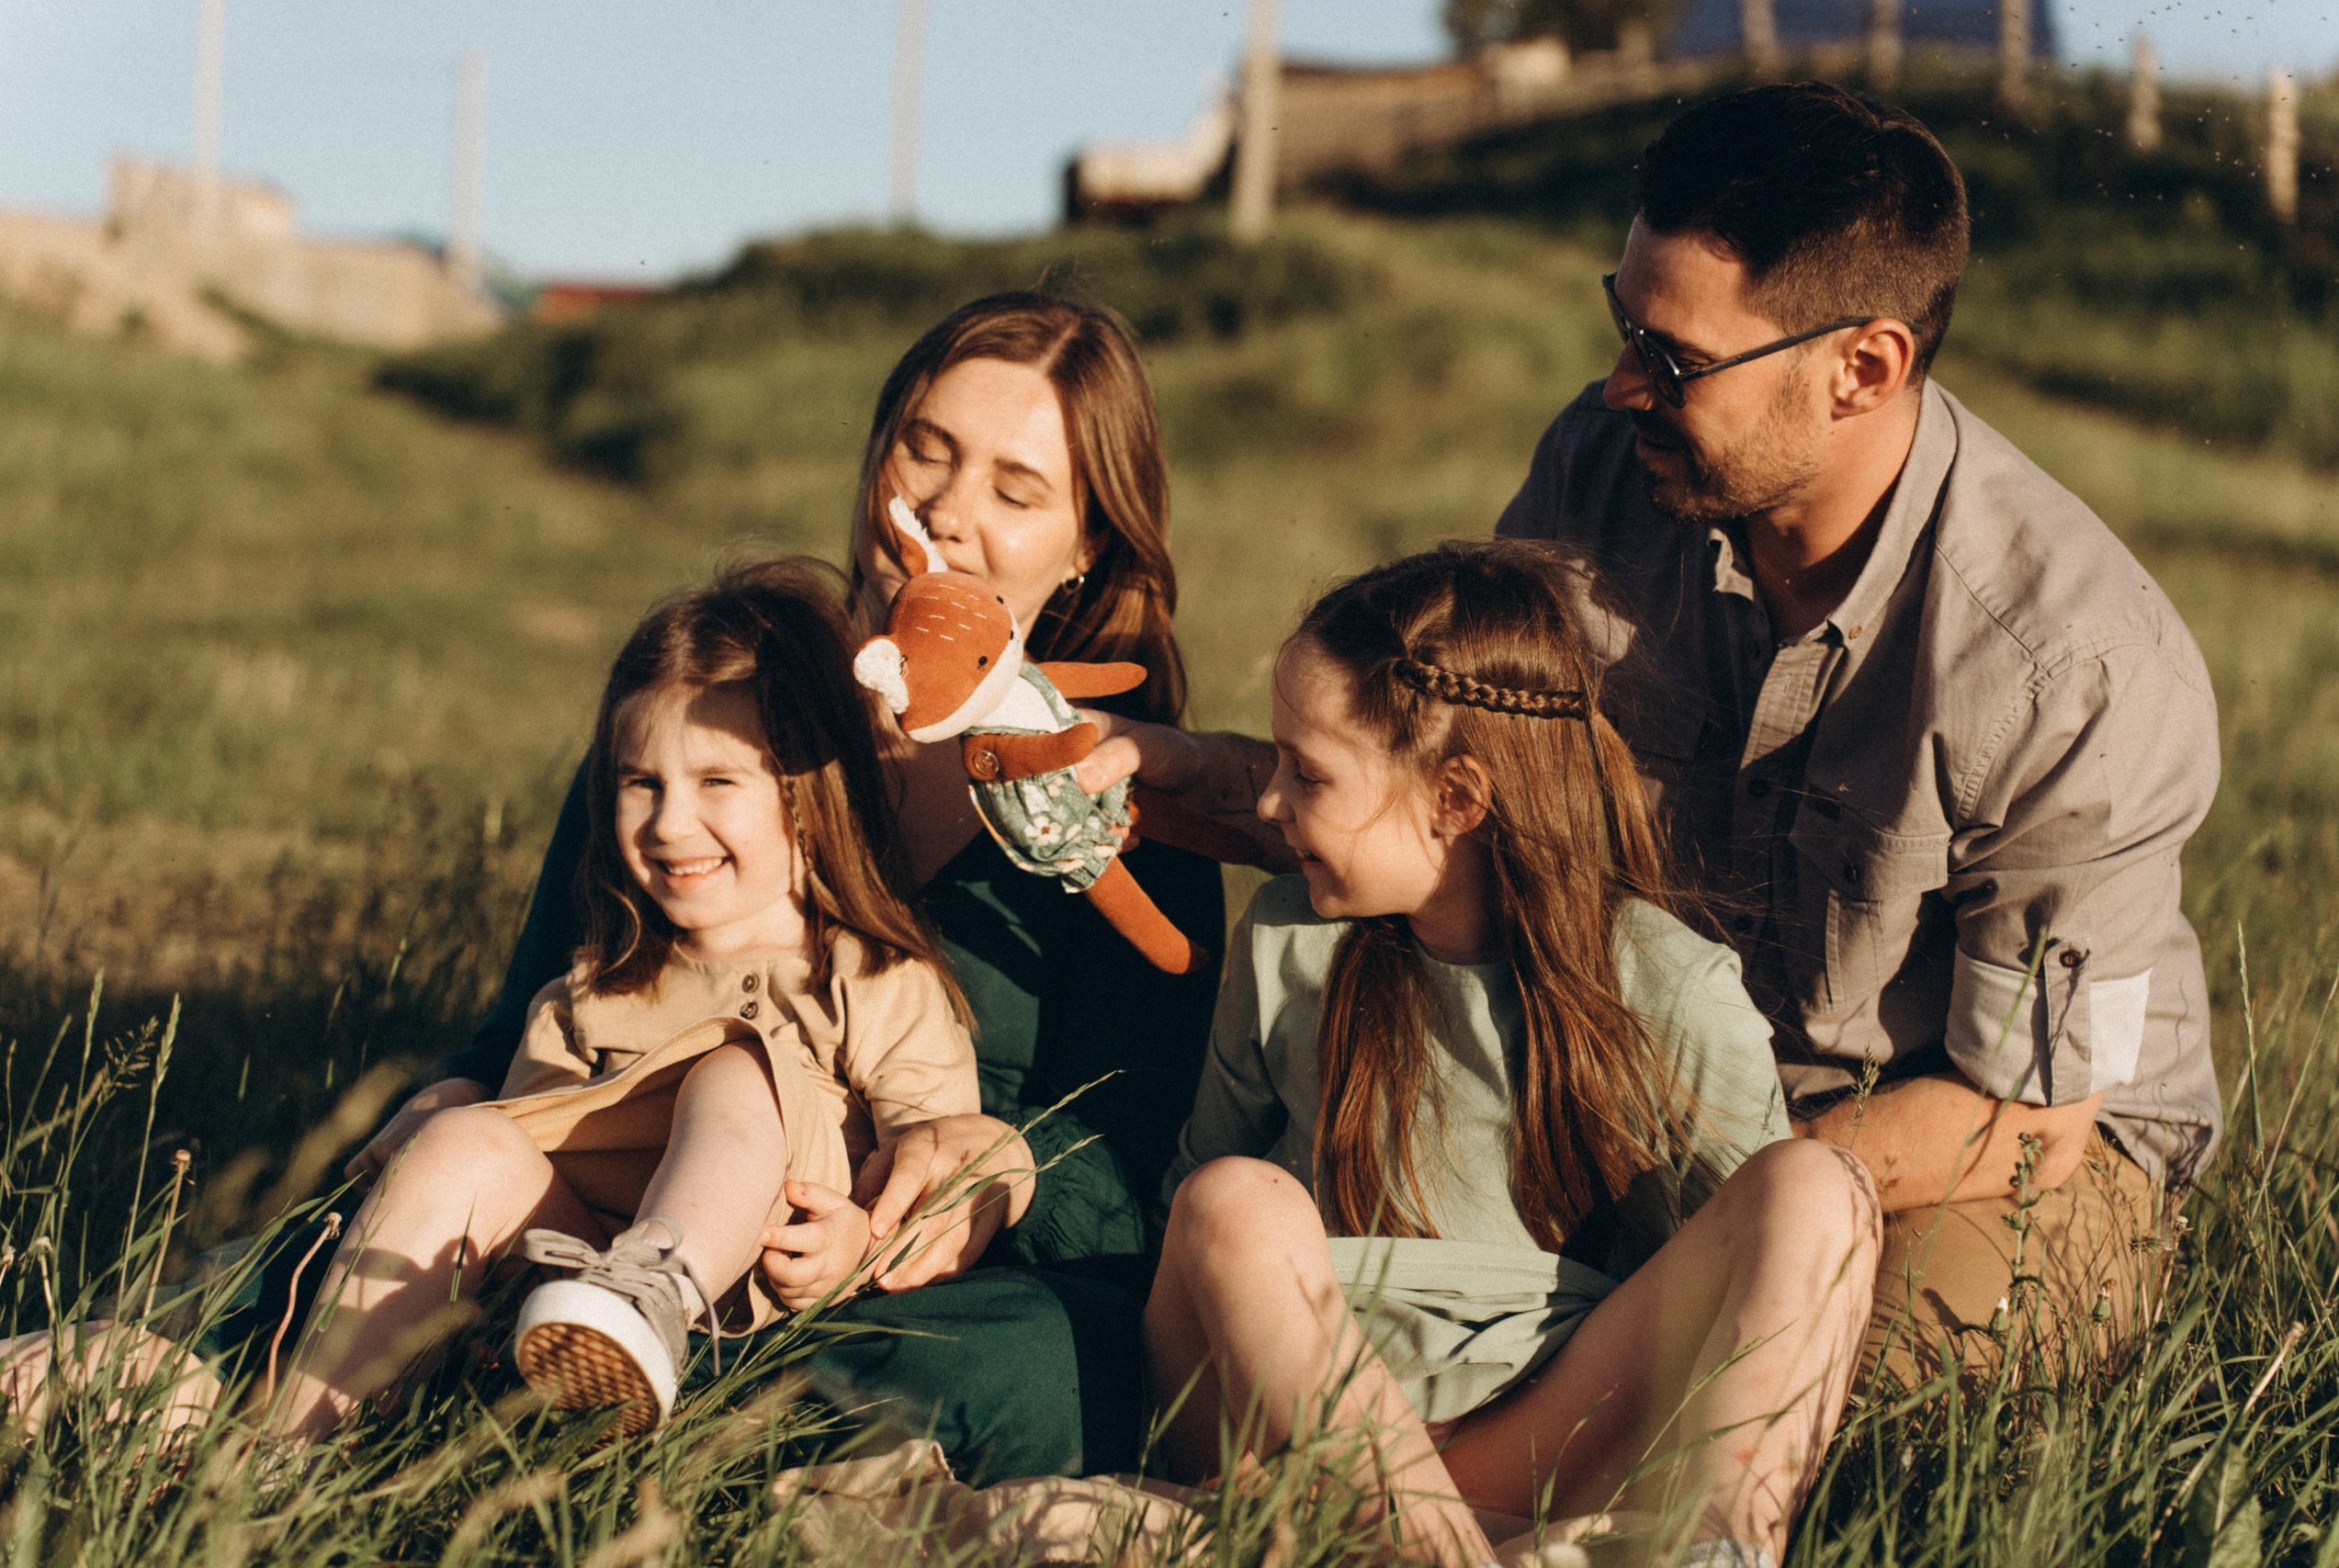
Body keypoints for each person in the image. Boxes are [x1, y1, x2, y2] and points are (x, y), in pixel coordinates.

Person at [1086, 83, 2220, 1386]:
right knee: (1365, 1315)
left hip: (1970, 1148)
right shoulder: (1605, 466)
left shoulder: (2071, 665)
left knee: (1807, 1379)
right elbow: (1440, 797)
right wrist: (1173, 779)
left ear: (1865, 367)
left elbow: (2033, 1120)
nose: (1622, 384)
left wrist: (1748, 1213)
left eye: (1671, 361)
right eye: (1623, 325)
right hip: (1639, 1068)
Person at [339, 291, 1229, 1478]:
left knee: (1028, 1362)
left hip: (906, 1274)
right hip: (602, 1198)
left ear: (1087, 548)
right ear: (873, 457)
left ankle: (547, 1398)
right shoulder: (714, 703)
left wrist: (999, 1171)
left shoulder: (1118, 802)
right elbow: (546, 998)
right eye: (926, 450)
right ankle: (303, 1383)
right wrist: (450, 1091)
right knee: (393, 1209)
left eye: (1017, 491)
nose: (951, 512)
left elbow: (1125, 1163)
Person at [1148, 542, 1879, 1567]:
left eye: (1306, 773)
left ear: (1455, 800)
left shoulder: (1666, 988)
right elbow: (1192, 1220)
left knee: (1819, 1187)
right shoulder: (1287, 941)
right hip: (1293, 1422)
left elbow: (1740, 1281)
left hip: (1538, 1431)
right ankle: (1418, 1540)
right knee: (1229, 1198)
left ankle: (1716, 1546)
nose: (1268, 803)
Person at [266, 560, 980, 1439]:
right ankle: (286, 1446)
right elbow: (524, 1153)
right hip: (560, 1287)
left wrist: (861, 1247)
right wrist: (455, 1118)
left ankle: (653, 1295)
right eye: (642, 783)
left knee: (738, 1067)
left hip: (737, 1310)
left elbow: (941, 1166)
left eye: (717, 781)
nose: (670, 822)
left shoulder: (872, 976)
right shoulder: (599, 984)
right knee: (464, 1137)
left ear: (804, 795)